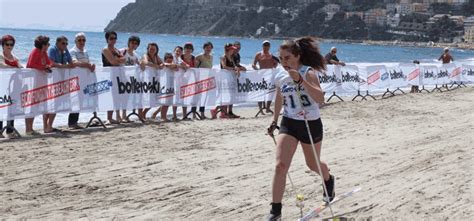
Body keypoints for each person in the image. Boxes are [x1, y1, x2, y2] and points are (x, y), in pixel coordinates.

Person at [266, 37, 335, 220]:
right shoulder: (280, 74)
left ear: (297, 56)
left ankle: (328, 179)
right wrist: (275, 120)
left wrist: (300, 80)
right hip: (289, 122)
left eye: (287, 58)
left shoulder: (308, 72)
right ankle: (275, 211)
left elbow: (320, 99)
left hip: (310, 123)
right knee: (280, 166)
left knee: (312, 164)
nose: (284, 62)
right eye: (281, 58)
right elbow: (280, 97)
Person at [26, 35, 55, 135]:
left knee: (39, 106)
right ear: (43, 45)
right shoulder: (36, 52)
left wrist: (48, 66)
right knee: (32, 106)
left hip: (42, 83)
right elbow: (30, 64)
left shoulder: (44, 53)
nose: (48, 46)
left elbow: (50, 62)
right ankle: (28, 128)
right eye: (47, 44)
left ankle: (35, 128)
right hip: (34, 83)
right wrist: (43, 67)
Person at [49, 36, 78, 130]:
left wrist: (70, 64)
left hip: (62, 80)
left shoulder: (66, 50)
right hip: (52, 79)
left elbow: (71, 62)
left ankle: (50, 125)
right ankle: (47, 126)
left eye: (66, 44)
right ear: (57, 43)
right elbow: (51, 63)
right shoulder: (52, 50)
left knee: (56, 104)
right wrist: (64, 66)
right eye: (63, 43)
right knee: (51, 103)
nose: (65, 45)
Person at [0, 35, 22, 139]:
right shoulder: (1, 55)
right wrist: (14, 68)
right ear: (2, 45)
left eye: (11, 44)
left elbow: (21, 67)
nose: (9, 46)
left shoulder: (14, 57)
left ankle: (10, 131)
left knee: (11, 108)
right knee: (1, 107)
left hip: (12, 86)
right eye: (7, 44)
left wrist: (18, 67)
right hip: (1, 85)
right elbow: (3, 65)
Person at [211, 43, 241, 119]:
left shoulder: (231, 57)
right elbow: (224, 67)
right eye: (232, 49)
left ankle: (224, 112)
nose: (233, 50)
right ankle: (219, 111)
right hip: (224, 79)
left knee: (230, 96)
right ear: (228, 49)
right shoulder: (223, 57)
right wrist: (233, 69)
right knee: (224, 96)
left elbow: (234, 66)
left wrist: (237, 69)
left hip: (230, 78)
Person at [102, 31, 126, 124]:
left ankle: (113, 117)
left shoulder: (116, 49)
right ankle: (109, 118)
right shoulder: (105, 49)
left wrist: (117, 60)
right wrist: (118, 60)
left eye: (115, 38)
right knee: (109, 96)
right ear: (107, 39)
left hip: (117, 75)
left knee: (116, 96)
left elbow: (123, 60)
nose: (113, 40)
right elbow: (113, 62)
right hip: (108, 74)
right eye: (111, 38)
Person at [252, 40, 278, 114]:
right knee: (260, 92)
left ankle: (268, 107)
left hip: (269, 75)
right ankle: (261, 109)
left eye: (267, 45)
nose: (266, 47)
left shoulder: (271, 55)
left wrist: (274, 66)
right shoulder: (258, 54)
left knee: (270, 91)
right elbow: (253, 64)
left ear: (269, 46)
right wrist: (257, 70)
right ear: (262, 46)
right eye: (265, 45)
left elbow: (275, 63)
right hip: (261, 75)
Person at [120, 36, 141, 122]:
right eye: (132, 43)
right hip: (120, 78)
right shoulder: (122, 51)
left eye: (136, 43)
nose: (133, 45)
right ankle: (120, 116)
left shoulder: (135, 55)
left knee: (126, 98)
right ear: (128, 43)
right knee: (119, 98)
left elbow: (140, 63)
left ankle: (124, 115)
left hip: (129, 79)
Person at [141, 43, 164, 121]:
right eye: (151, 49)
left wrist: (160, 65)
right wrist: (157, 66)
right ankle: (143, 114)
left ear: (156, 50)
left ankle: (148, 113)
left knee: (160, 98)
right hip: (148, 81)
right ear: (148, 49)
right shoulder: (145, 55)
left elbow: (162, 63)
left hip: (156, 80)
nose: (152, 50)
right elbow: (146, 62)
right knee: (150, 99)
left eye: (154, 49)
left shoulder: (156, 56)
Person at [195, 42, 214, 119]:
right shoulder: (199, 56)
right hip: (199, 79)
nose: (208, 49)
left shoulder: (211, 57)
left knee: (204, 97)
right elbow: (195, 68)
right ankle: (193, 114)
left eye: (210, 47)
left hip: (207, 79)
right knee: (196, 97)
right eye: (207, 47)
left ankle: (202, 114)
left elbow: (210, 67)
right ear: (204, 48)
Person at [172, 46, 189, 121]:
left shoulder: (179, 59)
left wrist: (182, 66)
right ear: (174, 51)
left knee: (184, 98)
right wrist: (181, 66)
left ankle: (184, 115)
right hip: (174, 81)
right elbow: (172, 66)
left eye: (179, 51)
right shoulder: (172, 57)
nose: (178, 52)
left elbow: (187, 66)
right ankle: (174, 116)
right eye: (177, 51)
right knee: (175, 99)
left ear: (182, 53)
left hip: (181, 81)